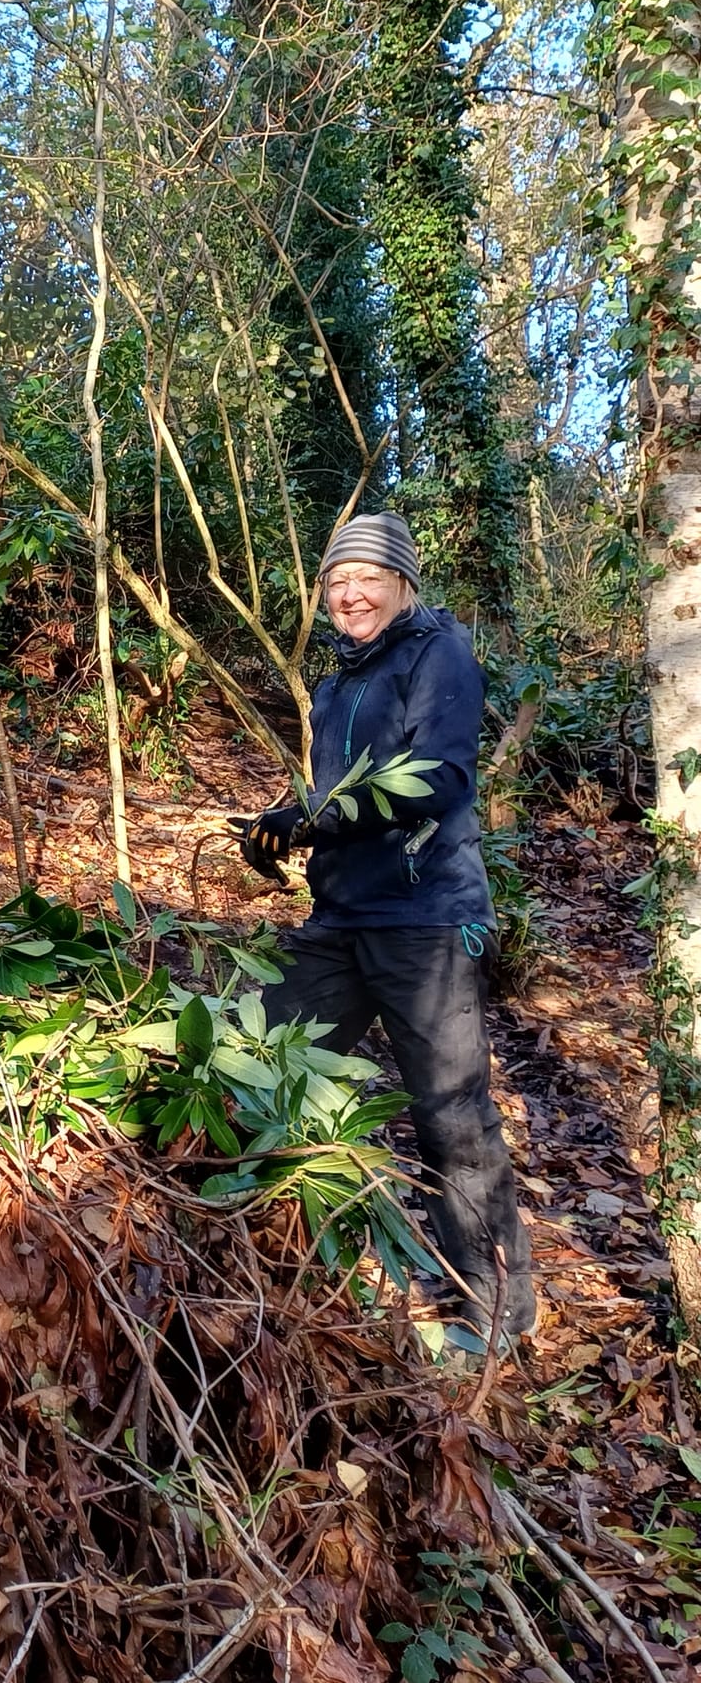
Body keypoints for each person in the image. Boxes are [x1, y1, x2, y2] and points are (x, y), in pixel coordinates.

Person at [235, 512, 536, 1353]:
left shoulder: (437, 652)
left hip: (426, 921)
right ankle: (257, 1261)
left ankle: (498, 1319)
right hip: (340, 919)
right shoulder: (336, 681)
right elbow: (342, 798)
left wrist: (310, 820)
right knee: (260, 1061)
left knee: (451, 1120)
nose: (350, 593)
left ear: (402, 584)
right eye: (335, 582)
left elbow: (437, 780)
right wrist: (280, 832)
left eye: (366, 578)